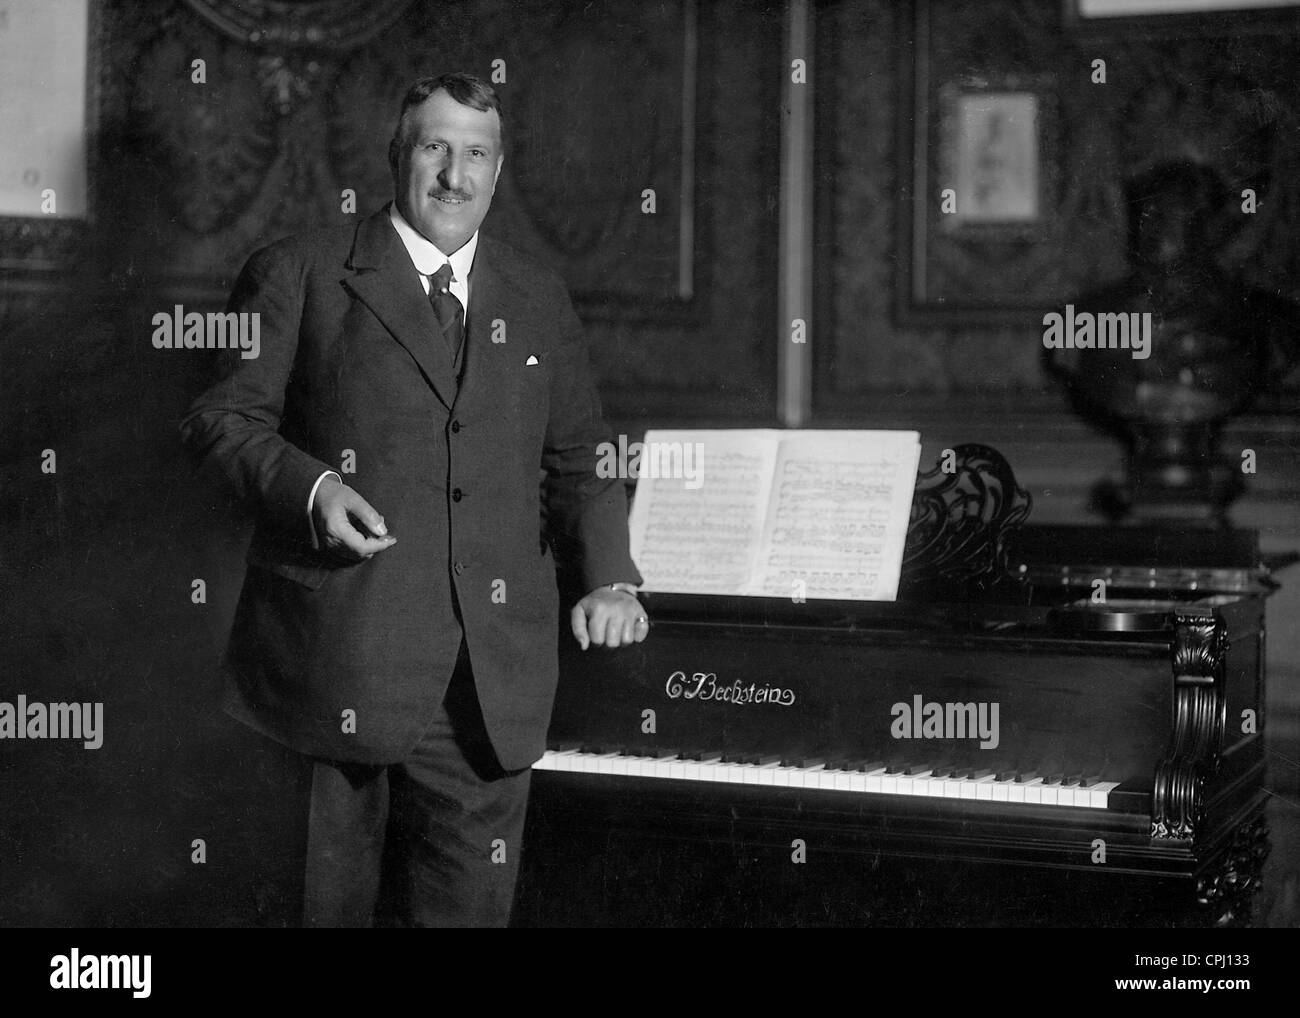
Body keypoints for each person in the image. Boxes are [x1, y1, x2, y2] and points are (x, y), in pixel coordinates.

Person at [181, 72, 646, 927]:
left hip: (485, 693)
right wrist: (313, 488)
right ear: (398, 155)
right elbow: (221, 423)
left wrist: (610, 576)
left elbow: (580, 459)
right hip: (328, 674)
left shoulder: (539, 298)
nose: (455, 175)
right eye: (436, 147)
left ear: (499, 172)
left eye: (477, 154)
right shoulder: (300, 271)